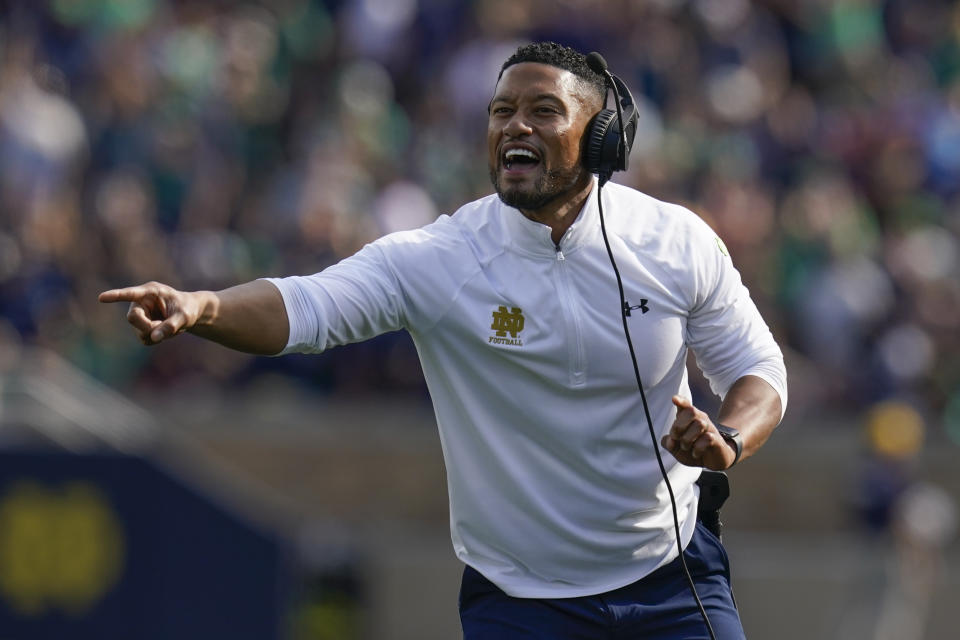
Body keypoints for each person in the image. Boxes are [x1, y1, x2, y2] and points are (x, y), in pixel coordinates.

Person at [100, 42, 786, 639]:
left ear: (602, 136)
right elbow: (308, 305)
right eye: (501, 111)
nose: (515, 125)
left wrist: (729, 438)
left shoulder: (674, 241)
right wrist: (207, 305)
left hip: (671, 578)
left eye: (543, 110)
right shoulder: (441, 258)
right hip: (522, 601)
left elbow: (756, 368)